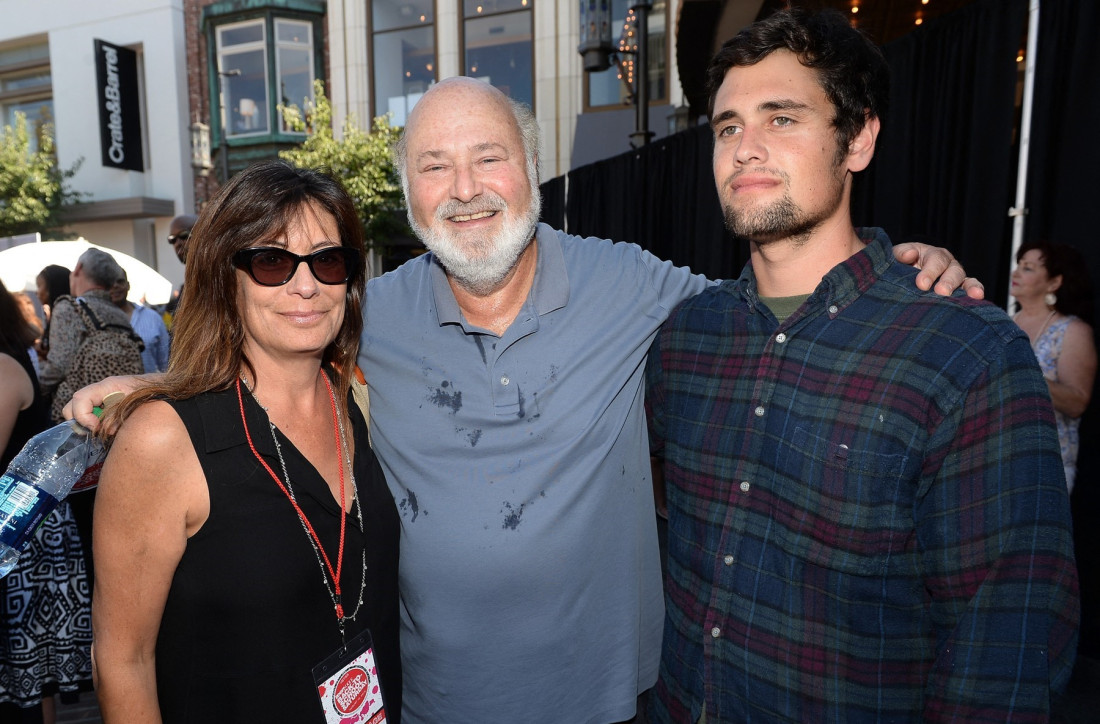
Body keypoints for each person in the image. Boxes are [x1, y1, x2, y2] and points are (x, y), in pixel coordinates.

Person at [68, 79, 980, 723]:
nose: (464, 190)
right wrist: (153, 389)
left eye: (488, 158)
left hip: (615, 704)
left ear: (533, 170)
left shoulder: (630, 284)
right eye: (434, 166)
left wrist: (892, 269)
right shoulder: (369, 311)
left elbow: (772, 313)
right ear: (408, 196)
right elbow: (270, 347)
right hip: (428, 707)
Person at [644, 9, 1079, 722]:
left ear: (859, 140)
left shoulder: (964, 352)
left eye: (782, 118)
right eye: (727, 127)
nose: (745, 149)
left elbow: (1005, 644)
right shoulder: (688, 336)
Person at [90, 160, 401, 723]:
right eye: (272, 262)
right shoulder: (163, 440)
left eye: (328, 260)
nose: (306, 285)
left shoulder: (357, 399)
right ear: (224, 277)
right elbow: (122, 661)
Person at [0, 282, 93, 724]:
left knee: (29, 665)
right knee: (27, 669)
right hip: (23, 524)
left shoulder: (3, 367)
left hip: (22, 526)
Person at [1011, 240, 1097, 495]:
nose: (1016, 273)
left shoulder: (1072, 330)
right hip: (996, 456)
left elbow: (1076, 402)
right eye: (1019, 265)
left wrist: (1023, 372)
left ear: (1054, 282)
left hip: (1044, 465)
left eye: (1028, 268)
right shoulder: (1004, 322)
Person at [110, 269, 171, 373]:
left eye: (120, 281)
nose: (115, 286)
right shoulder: (95, 320)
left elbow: (166, 364)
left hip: (149, 383)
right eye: (110, 282)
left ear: (128, 285)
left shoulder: (153, 318)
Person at [163, 213, 197, 330]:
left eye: (184, 235)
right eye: (172, 240)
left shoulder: (219, 280)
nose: (178, 243)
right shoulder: (182, 293)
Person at [34, 264, 70, 361]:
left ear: (52, 288)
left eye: (39, 286)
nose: (36, 292)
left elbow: (59, 361)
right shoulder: (58, 311)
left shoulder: (63, 312)